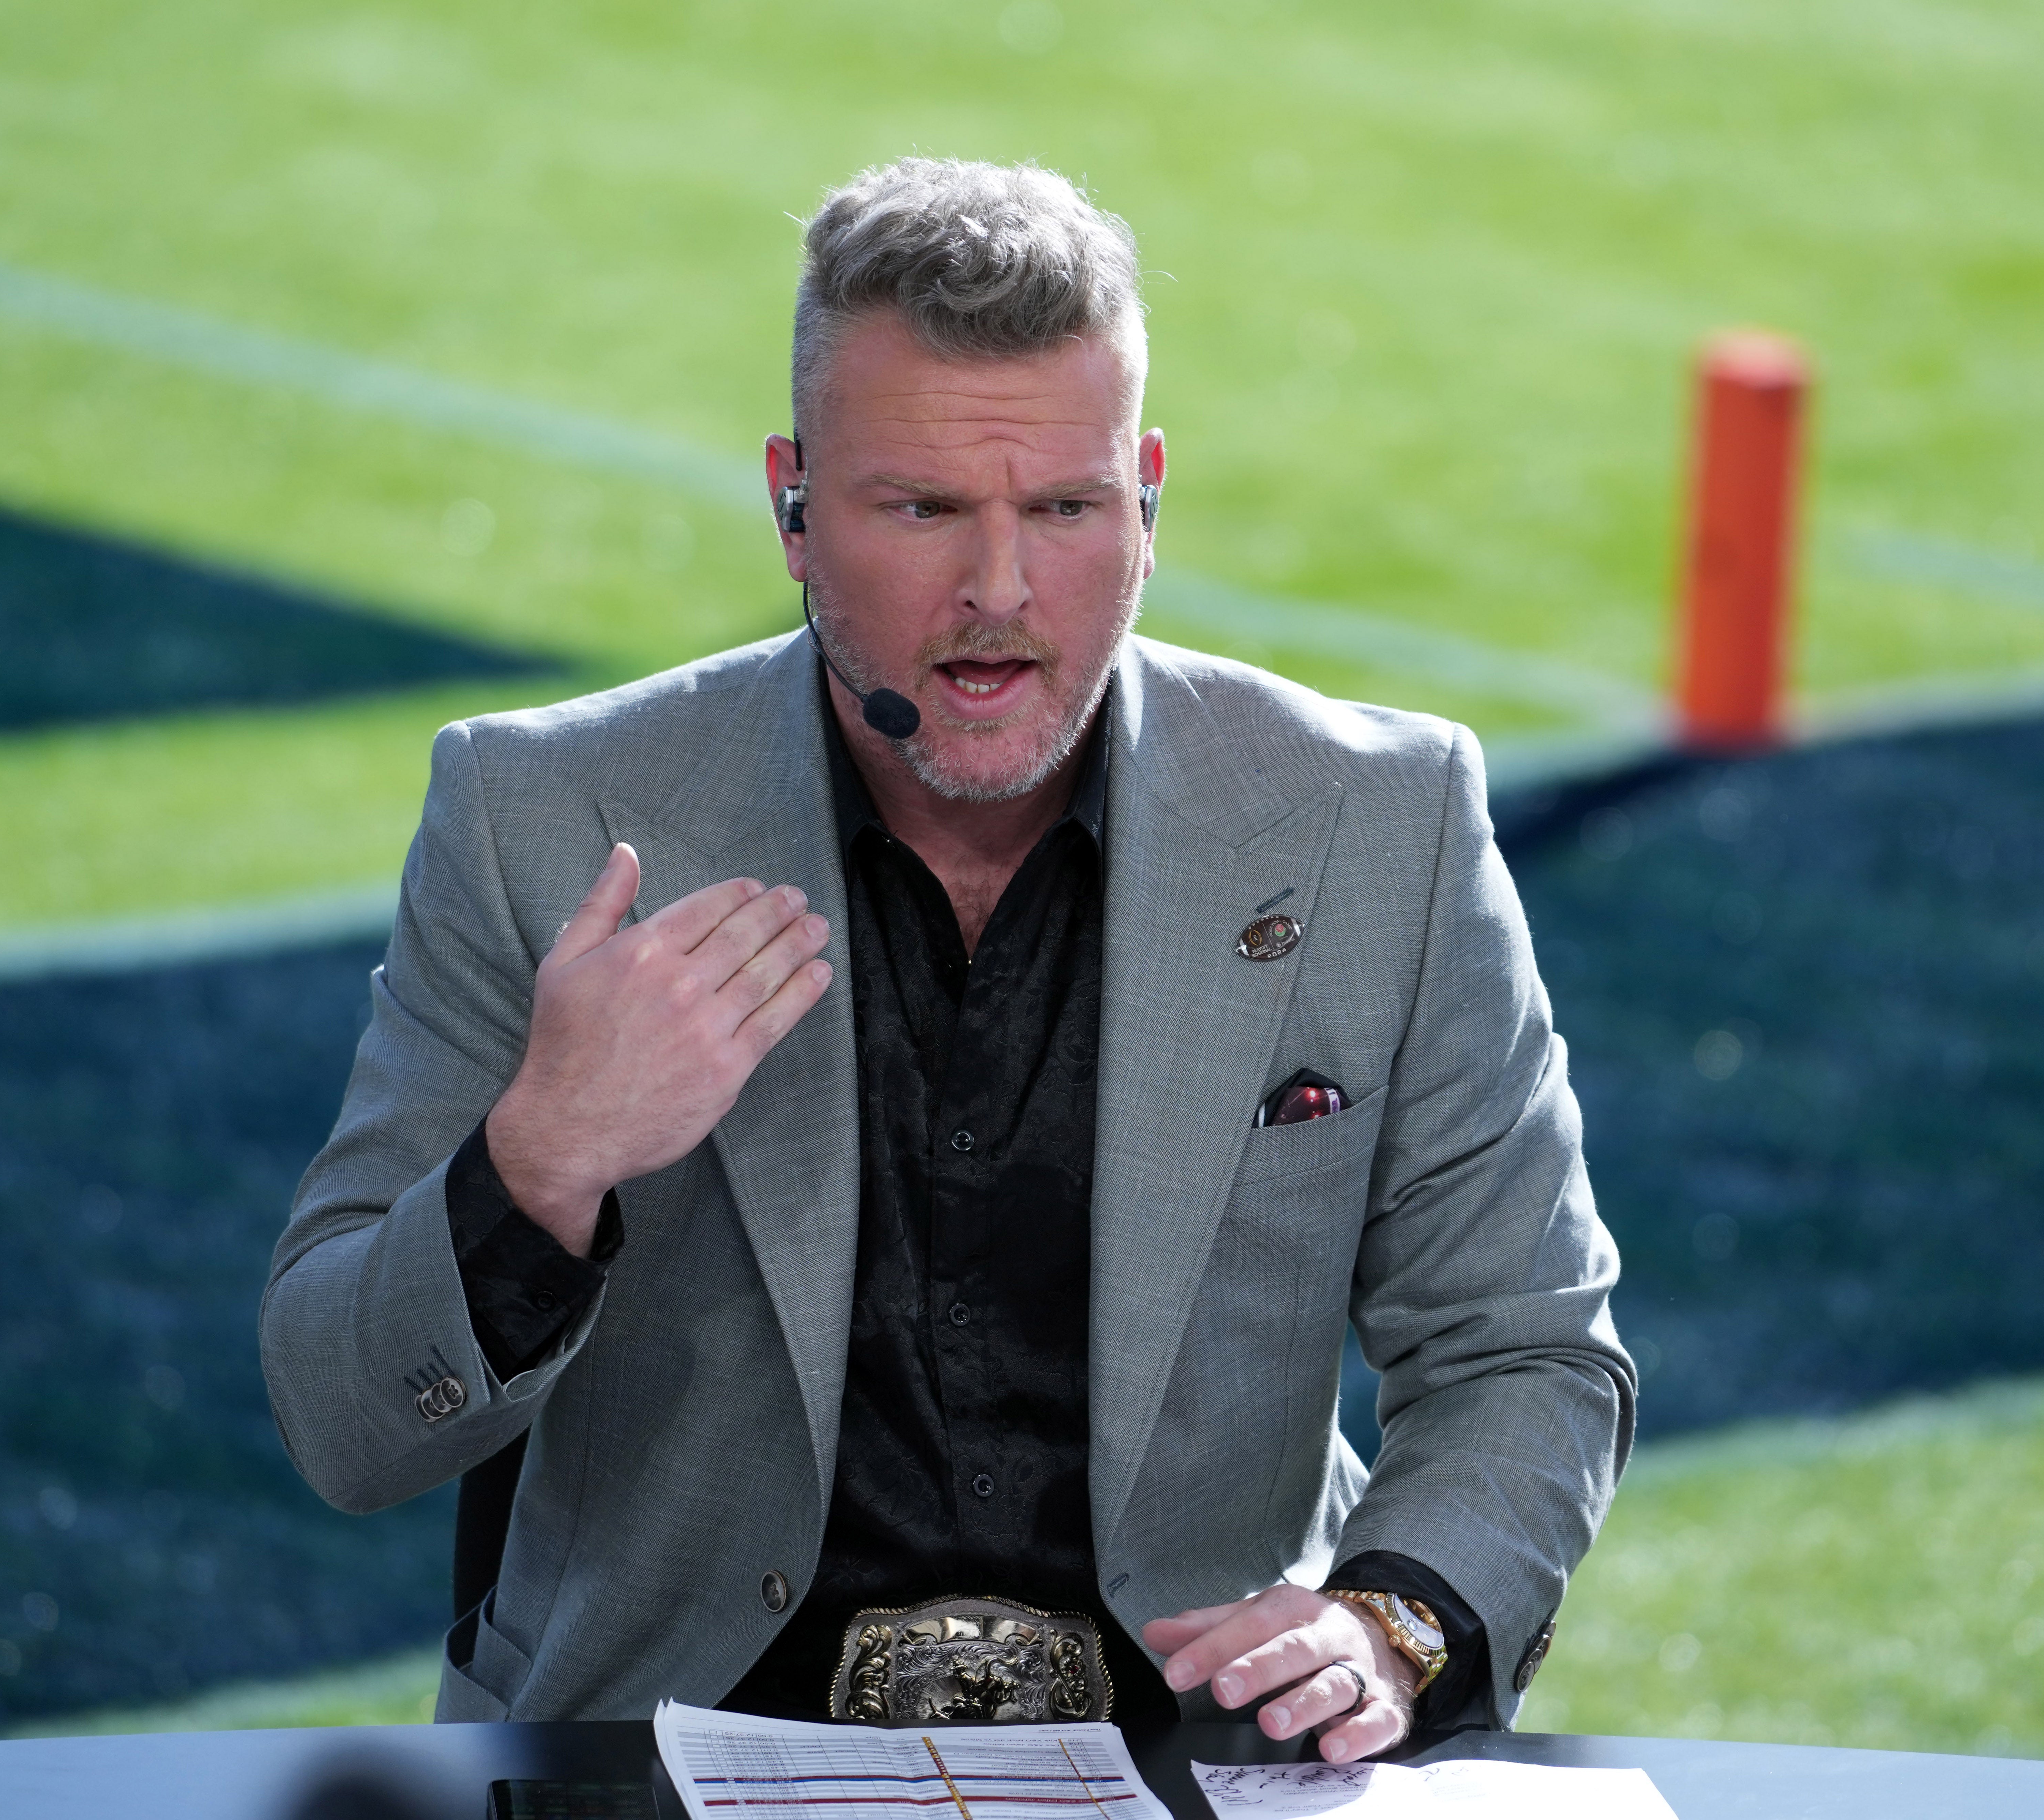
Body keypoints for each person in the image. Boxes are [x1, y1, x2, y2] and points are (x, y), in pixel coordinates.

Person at [262, 157, 1632, 1762]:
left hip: (1211, 1757)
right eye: (920, 508)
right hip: (670, 1744)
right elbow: (344, 1421)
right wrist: (544, 1155)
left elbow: (1526, 1346)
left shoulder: (1380, 822)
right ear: (789, 501)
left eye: (1064, 506)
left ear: (1149, 497)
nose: (1000, 591)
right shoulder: (541, 815)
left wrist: (1388, 1621)